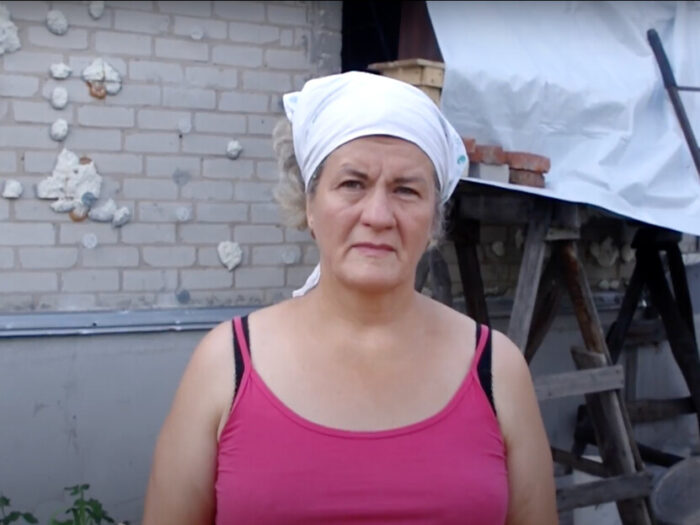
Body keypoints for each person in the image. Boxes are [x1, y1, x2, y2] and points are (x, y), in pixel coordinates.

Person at [142, 71, 558, 524]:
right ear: (309, 205)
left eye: (406, 190)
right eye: (352, 184)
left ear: (434, 220)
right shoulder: (225, 365)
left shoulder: (498, 370)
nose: (378, 215)